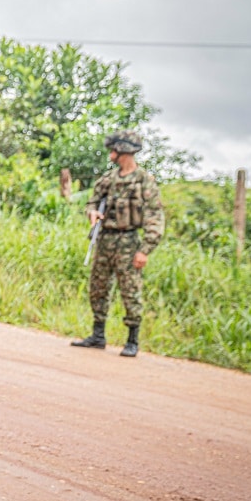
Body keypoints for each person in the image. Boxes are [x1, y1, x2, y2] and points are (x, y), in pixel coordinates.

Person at [72, 130, 165, 357]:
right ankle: (98, 335)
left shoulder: (144, 180)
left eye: (113, 149)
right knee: (98, 287)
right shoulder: (108, 179)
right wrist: (92, 213)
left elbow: (155, 216)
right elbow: (91, 202)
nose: (110, 153)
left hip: (129, 240)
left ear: (123, 150)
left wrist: (145, 249)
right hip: (104, 239)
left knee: (130, 290)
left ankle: (132, 340)